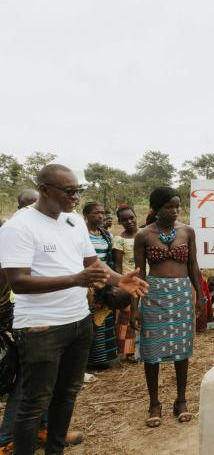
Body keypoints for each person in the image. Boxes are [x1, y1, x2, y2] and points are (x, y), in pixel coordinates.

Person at [0, 164, 147, 455]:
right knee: (34, 402)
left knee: (66, 395)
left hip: (79, 323)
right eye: (69, 191)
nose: (76, 197)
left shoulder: (72, 222)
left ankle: (55, 450)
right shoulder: (19, 226)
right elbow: (19, 282)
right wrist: (75, 280)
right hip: (41, 327)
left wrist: (121, 279)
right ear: (45, 190)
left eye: (78, 190)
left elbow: (92, 264)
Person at [132, 187, 204, 427]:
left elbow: (193, 265)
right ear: (156, 209)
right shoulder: (144, 235)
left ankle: (180, 400)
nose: (174, 211)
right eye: (168, 207)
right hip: (153, 296)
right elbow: (138, 273)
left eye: (177, 206)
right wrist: (135, 306)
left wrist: (200, 296)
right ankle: (154, 403)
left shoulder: (188, 231)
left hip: (181, 295)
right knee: (152, 352)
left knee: (182, 350)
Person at [83, 202, 118, 369]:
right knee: (90, 322)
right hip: (88, 282)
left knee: (104, 319)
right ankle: (87, 362)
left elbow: (108, 258)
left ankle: (102, 358)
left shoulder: (105, 234)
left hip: (105, 279)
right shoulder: (81, 233)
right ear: (86, 215)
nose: (101, 216)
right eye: (96, 213)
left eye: (102, 213)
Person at [112, 204, 139, 360]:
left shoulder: (145, 234)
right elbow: (117, 264)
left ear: (136, 217)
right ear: (120, 222)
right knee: (127, 316)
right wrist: (120, 283)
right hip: (129, 282)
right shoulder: (119, 239)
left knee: (144, 313)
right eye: (124, 220)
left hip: (146, 279)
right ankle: (129, 351)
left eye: (131, 217)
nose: (129, 221)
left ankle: (144, 347)